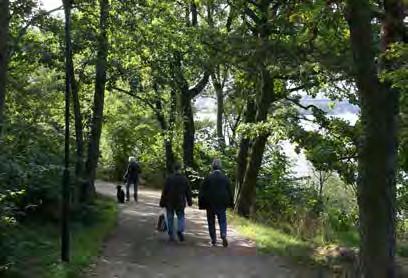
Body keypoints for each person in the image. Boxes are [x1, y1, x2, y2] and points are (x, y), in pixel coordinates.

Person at [199, 159, 233, 247]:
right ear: (220, 167)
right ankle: (223, 234)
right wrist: (231, 203)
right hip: (222, 202)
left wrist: (201, 204)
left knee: (211, 221)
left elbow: (202, 191)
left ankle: (213, 239)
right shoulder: (225, 178)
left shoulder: (208, 177)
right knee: (222, 220)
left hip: (210, 203)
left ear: (212, 167)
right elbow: (229, 191)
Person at [159, 162, 192, 242]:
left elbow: (165, 191)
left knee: (170, 217)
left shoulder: (169, 178)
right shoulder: (184, 179)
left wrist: (162, 202)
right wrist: (189, 201)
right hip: (180, 201)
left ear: (174, 169)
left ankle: (171, 235)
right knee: (181, 216)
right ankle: (180, 230)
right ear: (180, 169)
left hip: (169, 201)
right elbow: (188, 191)